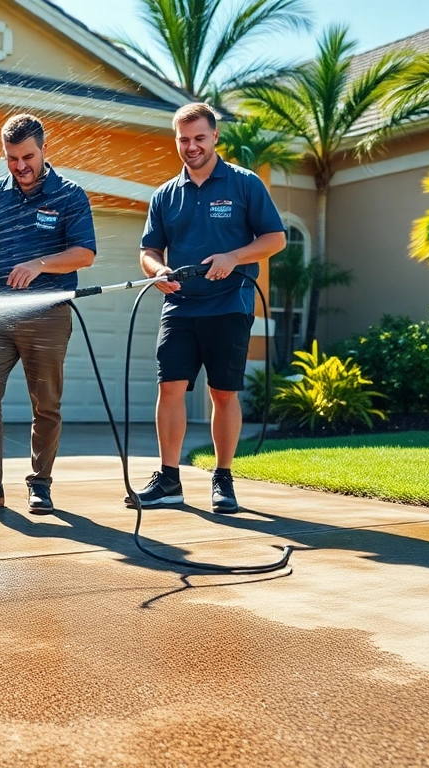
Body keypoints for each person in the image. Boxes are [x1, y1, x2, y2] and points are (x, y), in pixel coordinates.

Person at [128, 103, 286, 513]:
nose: (191, 146)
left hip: (229, 305)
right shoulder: (165, 195)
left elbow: (275, 239)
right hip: (179, 306)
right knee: (169, 387)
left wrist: (234, 257)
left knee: (223, 393)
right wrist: (157, 269)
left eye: (199, 138)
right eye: (184, 139)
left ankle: (223, 478)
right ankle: (169, 481)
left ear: (215, 136)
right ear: (176, 140)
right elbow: (148, 249)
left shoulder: (244, 184)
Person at [0, 114, 96, 514]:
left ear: (45, 150)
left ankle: (40, 484)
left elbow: (84, 254)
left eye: (27, 156)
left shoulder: (69, 195)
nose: (20, 166)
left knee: (45, 404)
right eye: (11, 158)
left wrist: (39, 264)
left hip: (48, 315)